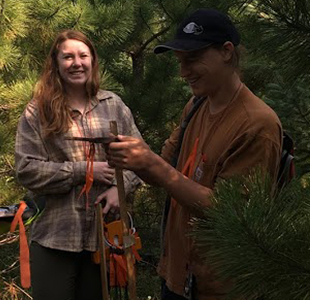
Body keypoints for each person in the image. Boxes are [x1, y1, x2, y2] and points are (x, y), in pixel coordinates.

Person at [106, 9, 283, 300]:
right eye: (179, 62)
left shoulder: (257, 124)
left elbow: (231, 212)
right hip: (177, 275)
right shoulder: (197, 104)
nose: (183, 72)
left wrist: (153, 165)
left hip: (219, 287)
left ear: (226, 52)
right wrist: (131, 158)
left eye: (193, 59)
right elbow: (163, 171)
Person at [14, 30, 142, 299]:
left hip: (105, 238)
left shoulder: (113, 105)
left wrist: (121, 188)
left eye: (83, 56)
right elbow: (26, 170)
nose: (76, 63)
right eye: (68, 57)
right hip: (54, 236)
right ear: (56, 64)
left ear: (93, 61)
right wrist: (83, 171)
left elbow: (140, 160)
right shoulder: (38, 111)